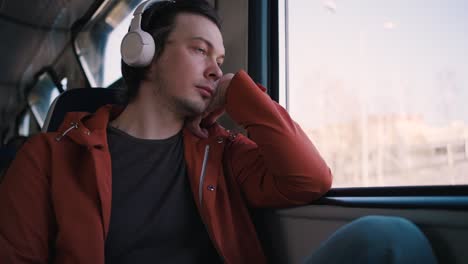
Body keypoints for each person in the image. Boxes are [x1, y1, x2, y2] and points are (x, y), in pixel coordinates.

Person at [0, 0, 437, 263]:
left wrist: (242, 94)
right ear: (144, 56)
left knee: (389, 239)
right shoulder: (49, 157)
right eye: (199, 50)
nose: (215, 69)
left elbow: (309, 180)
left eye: (221, 59)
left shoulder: (220, 150)